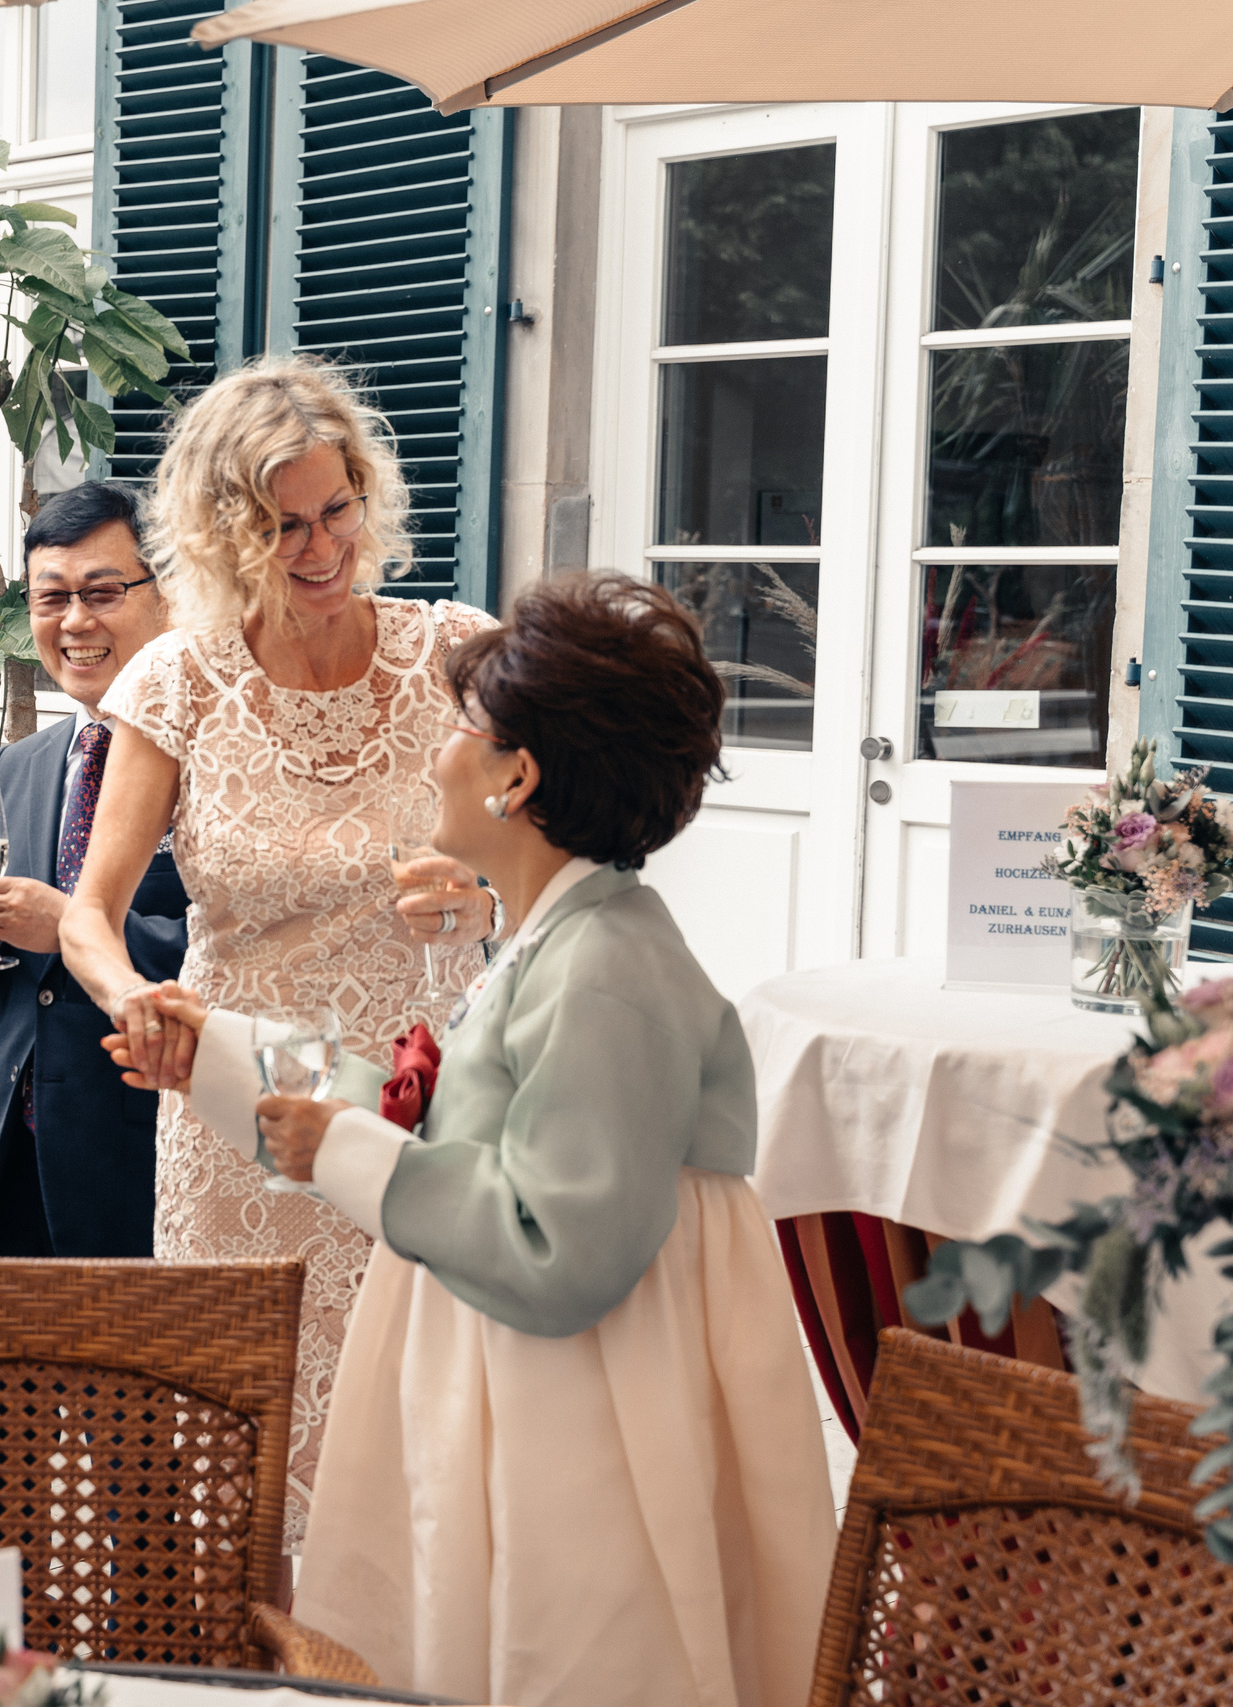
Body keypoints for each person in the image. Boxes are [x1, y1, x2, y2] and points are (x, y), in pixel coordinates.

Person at [142, 574, 838, 1704]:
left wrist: (344, 1152)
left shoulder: (608, 972)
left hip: (583, 1406)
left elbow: (558, 1250)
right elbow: (439, 1116)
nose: (435, 756)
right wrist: (218, 1054)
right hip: (521, 1370)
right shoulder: (557, 938)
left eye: (461, 728)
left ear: (519, 778)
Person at [56, 355, 498, 1545]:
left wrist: (482, 896)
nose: (318, 547)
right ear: (221, 535)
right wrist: (133, 997)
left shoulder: (456, 653)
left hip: (415, 1101)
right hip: (240, 1107)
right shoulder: (178, 678)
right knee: (237, 1470)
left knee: (418, 1463)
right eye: (280, 525)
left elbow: (555, 852)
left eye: (335, 510)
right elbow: (89, 912)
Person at [0, 481, 187, 1257]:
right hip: (8, 1163)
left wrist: (74, 928)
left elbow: (241, 949)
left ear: (165, 594)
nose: (75, 621)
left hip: (139, 1161)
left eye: (103, 591)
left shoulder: (215, 763)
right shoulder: (22, 762)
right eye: (51, 597)